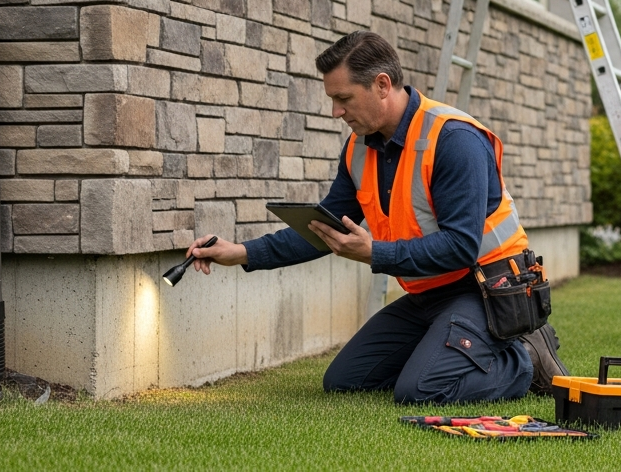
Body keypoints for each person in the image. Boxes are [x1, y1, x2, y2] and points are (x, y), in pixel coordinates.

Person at [183, 30, 569, 403]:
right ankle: (444, 348)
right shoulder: (359, 148)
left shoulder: (454, 140)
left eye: (344, 98)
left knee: (421, 390)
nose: (336, 112)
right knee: (345, 381)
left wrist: (374, 253)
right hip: (429, 293)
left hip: (487, 288)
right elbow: (324, 228)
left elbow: (462, 246)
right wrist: (242, 253)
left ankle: (524, 357)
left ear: (382, 85)